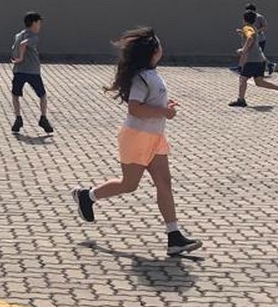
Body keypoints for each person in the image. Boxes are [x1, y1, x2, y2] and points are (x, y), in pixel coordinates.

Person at [72, 27, 202, 257]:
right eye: (159, 44)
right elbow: (135, 108)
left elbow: (147, 104)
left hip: (155, 138)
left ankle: (174, 237)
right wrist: (163, 111)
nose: (162, 47)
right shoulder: (142, 77)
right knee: (129, 184)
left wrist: (163, 105)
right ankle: (87, 196)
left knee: (164, 183)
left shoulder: (152, 74)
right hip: (137, 137)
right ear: (153, 52)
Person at [230, 11, 278, 107]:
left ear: (244, 19)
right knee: (259, 82)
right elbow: (251, 36)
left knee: (243, 79)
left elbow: (250, 38)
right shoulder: (253, 28)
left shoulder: (247, 28)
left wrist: (243, 50)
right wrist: (242, 34)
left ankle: (241, 100)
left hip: (253, 60)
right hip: (260, 59)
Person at [11, 11, 54, 135]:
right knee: (42, 95)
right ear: (33, 23)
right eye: (39, 23)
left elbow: (15, 47)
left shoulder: (18, 35)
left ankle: (18, 118)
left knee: (15, 94)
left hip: (18, 71)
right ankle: (43, 118)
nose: (40, 26)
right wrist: (21, 58)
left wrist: (16, 58)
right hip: (32, 71)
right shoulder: (33, 37)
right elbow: (23, 45)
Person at [244, 3, 275, 76]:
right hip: (252, 39)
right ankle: (269, 65)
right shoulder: (247, 17)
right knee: (258, 55)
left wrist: (257, 31)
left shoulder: (259, 17)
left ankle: (264, 69)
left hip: (260, 39)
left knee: (260, 55)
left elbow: (265, 26)